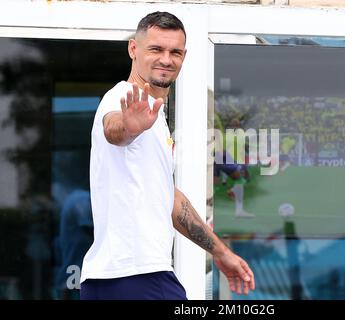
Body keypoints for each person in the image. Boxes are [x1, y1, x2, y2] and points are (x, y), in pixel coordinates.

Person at [80, 11, 255, 300]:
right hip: (139, 275)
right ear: (133, 50)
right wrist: (128, 126)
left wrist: (221, 253)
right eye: (156, 49)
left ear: (183, 56)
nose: (166, 59)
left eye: (175, 52)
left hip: (107, 280)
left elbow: (169, 198)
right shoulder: (124, 97)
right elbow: (114, 129)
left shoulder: (154, 115)